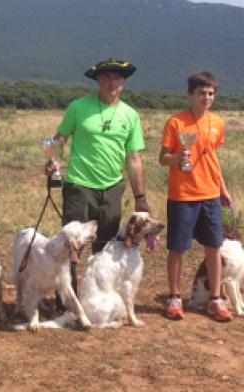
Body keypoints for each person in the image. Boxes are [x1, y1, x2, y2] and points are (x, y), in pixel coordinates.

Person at [45, 59, 150, 311]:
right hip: (79, 185)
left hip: (112, 187)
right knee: (72, 244)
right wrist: (51, 161)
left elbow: (133, 158)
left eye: (117, 78)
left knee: (105, 247)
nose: (112, 83)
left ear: (123, 82)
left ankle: (97, 298)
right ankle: (65, 300)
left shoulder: (130, 115)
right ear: (97, 80)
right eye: (106, 78)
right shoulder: (78, 107)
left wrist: (140, 196)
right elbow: (59, 139)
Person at [158, 71, 232, 322]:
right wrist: (178, 159)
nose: (206, 97)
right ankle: (174, 297)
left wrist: (222, 187)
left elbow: (212, 157)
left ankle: (215, 298)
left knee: (214, 247)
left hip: (210, 193)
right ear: (190, 94)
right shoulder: (176, 123)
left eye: (211, 93)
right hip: (183, 195)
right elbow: (162, 158)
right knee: (178, 247)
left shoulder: (218, 123)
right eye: (201, 93)